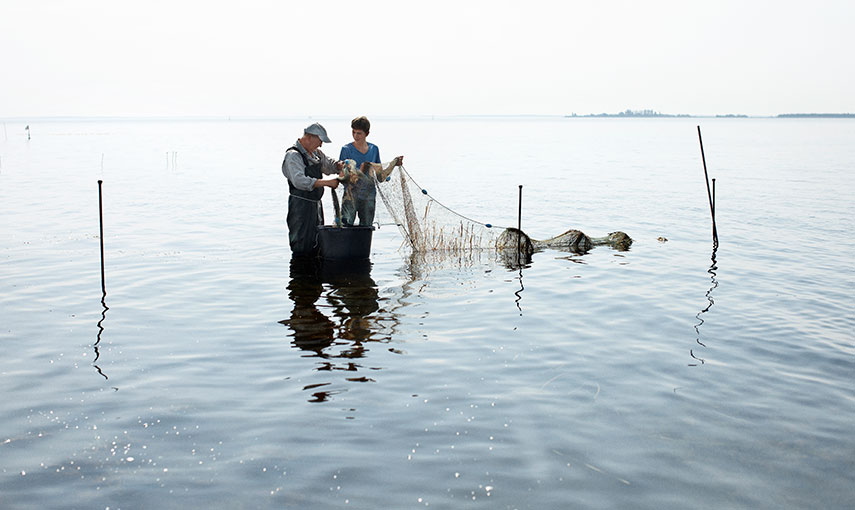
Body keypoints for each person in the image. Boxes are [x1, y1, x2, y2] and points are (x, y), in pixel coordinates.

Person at [282, 123, 342, 257]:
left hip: (316, 206)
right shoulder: (293, 156)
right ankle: (300, 275)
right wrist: (327, 183)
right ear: (309, 137)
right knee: (302, 245)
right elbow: (299, 181)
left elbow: (328, 165)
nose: (321, 145)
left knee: (317, 243)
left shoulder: (315, 153)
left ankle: (316, 275)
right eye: (320, 141)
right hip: (300, 208)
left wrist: (339, 166)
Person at [338, 116, 403, 227]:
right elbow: (342, 175)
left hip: (368, 197)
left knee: (366, 229)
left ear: (367, 133)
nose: (355, 136)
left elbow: (380, 177)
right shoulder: (346, 149)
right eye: (353, 132)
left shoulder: (374, 149)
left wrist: (394, 164)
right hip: (350, 197)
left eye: (359, 133)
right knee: (345, 227)